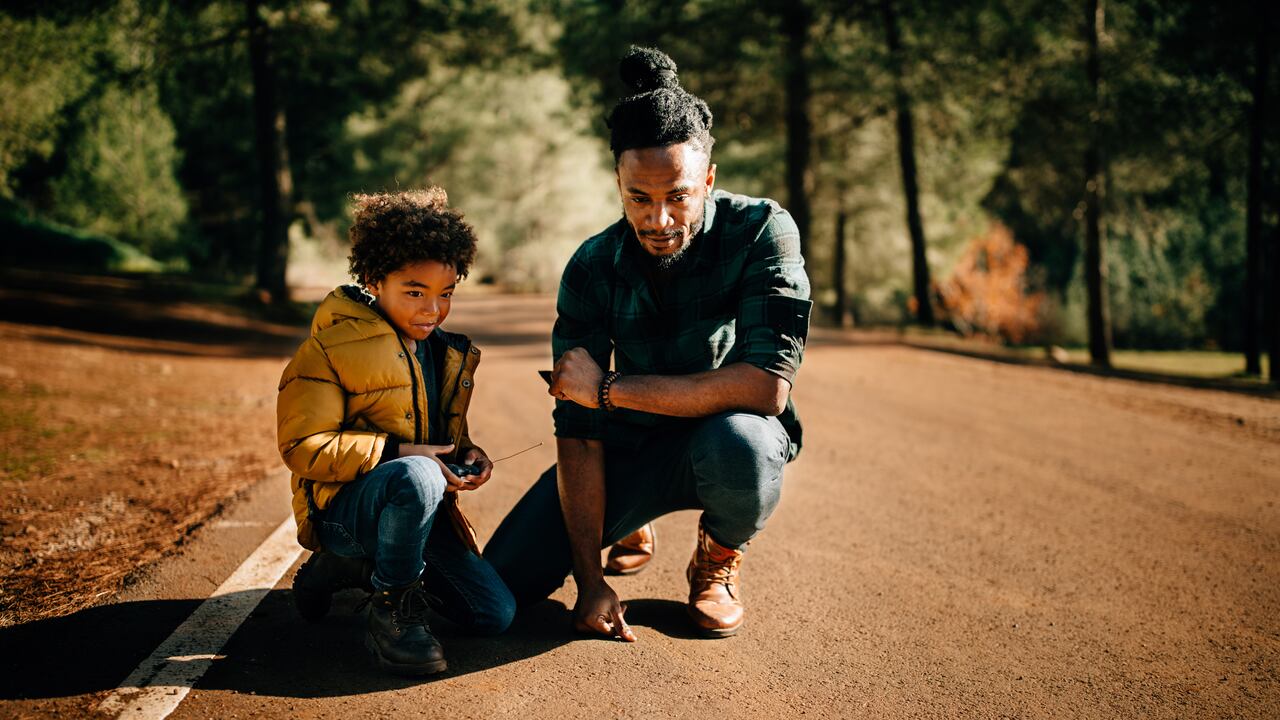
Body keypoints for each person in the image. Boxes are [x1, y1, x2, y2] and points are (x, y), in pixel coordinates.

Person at [485, 47, 811, 640]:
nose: (658, 219)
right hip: (626, 446)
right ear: (618, 181)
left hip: (721, 434)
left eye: (678, 196)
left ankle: (716, 559)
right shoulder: (591, 267)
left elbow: (766, 389)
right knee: (497, 588)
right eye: (639, 198)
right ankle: (628, 522)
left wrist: (607, 389)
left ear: (708, 178)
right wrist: (588, 581)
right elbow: (578, 433)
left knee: (745, 444)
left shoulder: (762, 231)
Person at [277, 188, 515, 676]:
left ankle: (356, 571)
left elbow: (440, 436)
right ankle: (391, 611)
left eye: (445, 294)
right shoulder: (328, 348)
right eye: (414, 292)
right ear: (373, 280)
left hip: (414, 509)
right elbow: (302, 448)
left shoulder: (445, 351)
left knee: (494, 614)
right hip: (343, 514)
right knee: (419, 477)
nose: (433, 310)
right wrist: (404, 455)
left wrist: (467, 455)